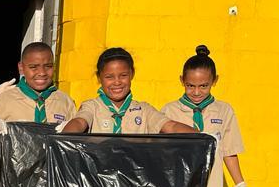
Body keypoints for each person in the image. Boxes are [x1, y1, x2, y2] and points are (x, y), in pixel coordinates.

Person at [161, 45, 258, 187]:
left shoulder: (224, 111)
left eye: (203, 86)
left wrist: (241, 185)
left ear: (215, 81)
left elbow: (229, 151)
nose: (196, 92)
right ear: (182, 80)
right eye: (190, 86)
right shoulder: (169, 111)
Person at [60, 47, 195, 135]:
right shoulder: (92, 107)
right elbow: (80, 122)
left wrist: (202, 138)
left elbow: (170, 126)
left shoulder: (144, 110)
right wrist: (62, 140)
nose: (117, 82)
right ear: (99, 77)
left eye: (123, 75)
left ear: (132, 74)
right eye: (109, 77)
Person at [0, 41, 77, 135]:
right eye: (33, 67)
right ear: (21, 68)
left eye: (48, 66)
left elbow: (75, 139)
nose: (42, 73)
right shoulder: (5, 100)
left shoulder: (65, 101)